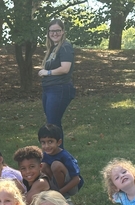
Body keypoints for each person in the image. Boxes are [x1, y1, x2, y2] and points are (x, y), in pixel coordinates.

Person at [38, 19, 76, 147]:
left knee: (53, 125)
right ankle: (56, 155)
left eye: (57, 30)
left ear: (63, 31)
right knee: (52, 124)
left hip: (60, 89)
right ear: (48, 32)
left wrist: (47, 73)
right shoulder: (53, 48)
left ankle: (59, 156)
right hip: (49, 89)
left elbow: (65, 69)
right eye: (52, 31)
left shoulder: (65, 46)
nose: (54, 33)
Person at [38, 124, 83, 198]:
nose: (46, 146)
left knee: (56, 165)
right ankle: (51, 192)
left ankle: (63, 196)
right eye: (43, 142)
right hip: (55, 185)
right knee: (42, 166)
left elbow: (76, 179)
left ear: (59, 142)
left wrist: (60, 192)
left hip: (71, 187)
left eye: (50, 142)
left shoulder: (65, 156)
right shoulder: (43, 156)